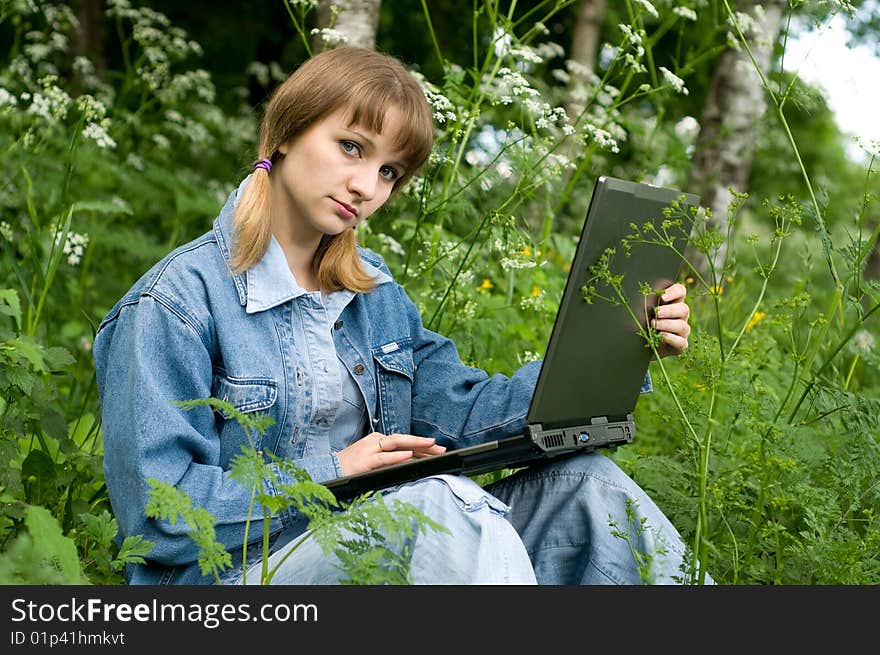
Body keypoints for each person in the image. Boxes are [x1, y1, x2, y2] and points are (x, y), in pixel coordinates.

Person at [93, 46, 704, 586]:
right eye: (351, 148)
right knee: (441, 508)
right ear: (286, 132)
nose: (366, 186)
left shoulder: (375, 295)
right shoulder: (175, 303)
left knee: (589, 488)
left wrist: (621, 344)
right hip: (232, 580)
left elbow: (465, 416)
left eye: (389, 171)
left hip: (382, 548)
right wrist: (332, 473)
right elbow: (160, 515)